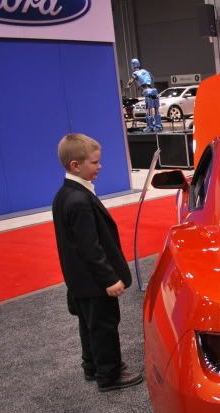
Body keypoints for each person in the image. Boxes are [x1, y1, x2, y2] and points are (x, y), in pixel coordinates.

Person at [52, 134, 143, 392]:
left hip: (79, 281)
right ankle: (109, 375)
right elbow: (90, 248)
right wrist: (110, 279)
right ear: (75, 165)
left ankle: (92, 366)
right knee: (104, 326)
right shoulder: (79, 201)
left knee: (88, 324)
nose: (100, 166)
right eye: (94, 162)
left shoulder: (64, 194)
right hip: (95, 282)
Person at [127, 58, 163, 133]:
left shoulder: (135, 73)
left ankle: (150, 126)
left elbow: (130, 82)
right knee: (156, 108)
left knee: (148, 109)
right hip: (154, 90)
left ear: (133, 65)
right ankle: (158, 125)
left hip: (147, 91)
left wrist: (128, 86)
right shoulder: (145, 71)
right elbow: (152, 79)